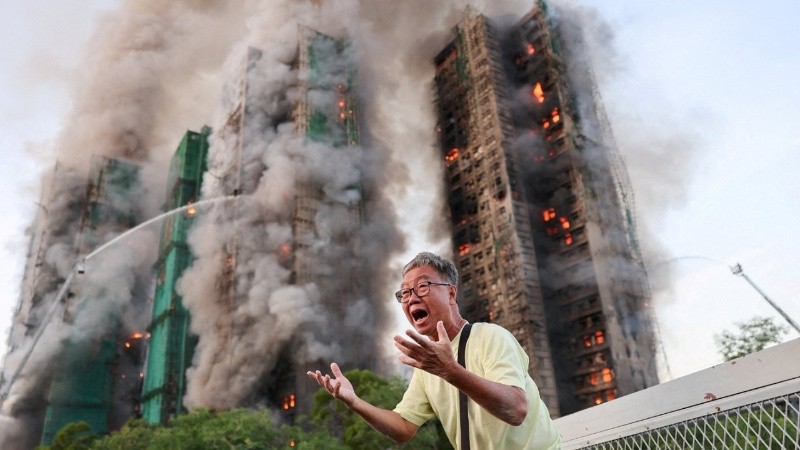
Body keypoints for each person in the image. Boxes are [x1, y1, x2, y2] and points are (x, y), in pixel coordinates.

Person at [307, 251, 561, 449]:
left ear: (451, 293)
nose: (411, 298)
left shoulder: (490, 337)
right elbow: (404, 427)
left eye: (422, 287)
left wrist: (450, 370)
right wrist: (355, 402)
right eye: (405, 293)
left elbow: (516, 410)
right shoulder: (428, 367)